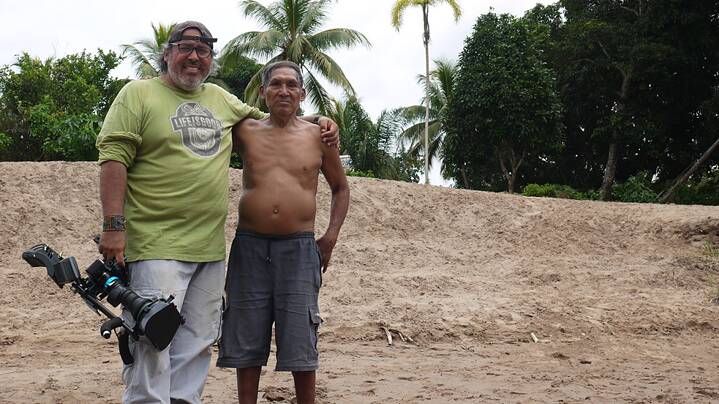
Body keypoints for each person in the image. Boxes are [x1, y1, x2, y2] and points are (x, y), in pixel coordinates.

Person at [96, 22, 338, 404]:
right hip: (156, 244)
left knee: (196, 343)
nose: (194, 56)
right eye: (185, 47)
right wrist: (113, 226)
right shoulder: (137, 94)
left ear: (211, 58)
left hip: (209, 251)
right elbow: (113, 158)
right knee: (152, 339)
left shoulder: (221, 99)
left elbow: (273, 120)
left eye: (203, 49)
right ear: (167, 52)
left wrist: (319, 122)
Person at [216, 61, 349, 404]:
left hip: (299, 247)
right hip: (249, 246)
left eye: (292, 85)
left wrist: (330, 238)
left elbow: (340, 188)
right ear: (263, 92)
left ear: (303, 94)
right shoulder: (244, 131)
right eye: (276, 84)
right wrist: (318, 117)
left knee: (300, 336)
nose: (284, 90)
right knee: (246, 334)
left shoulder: (319, 136)